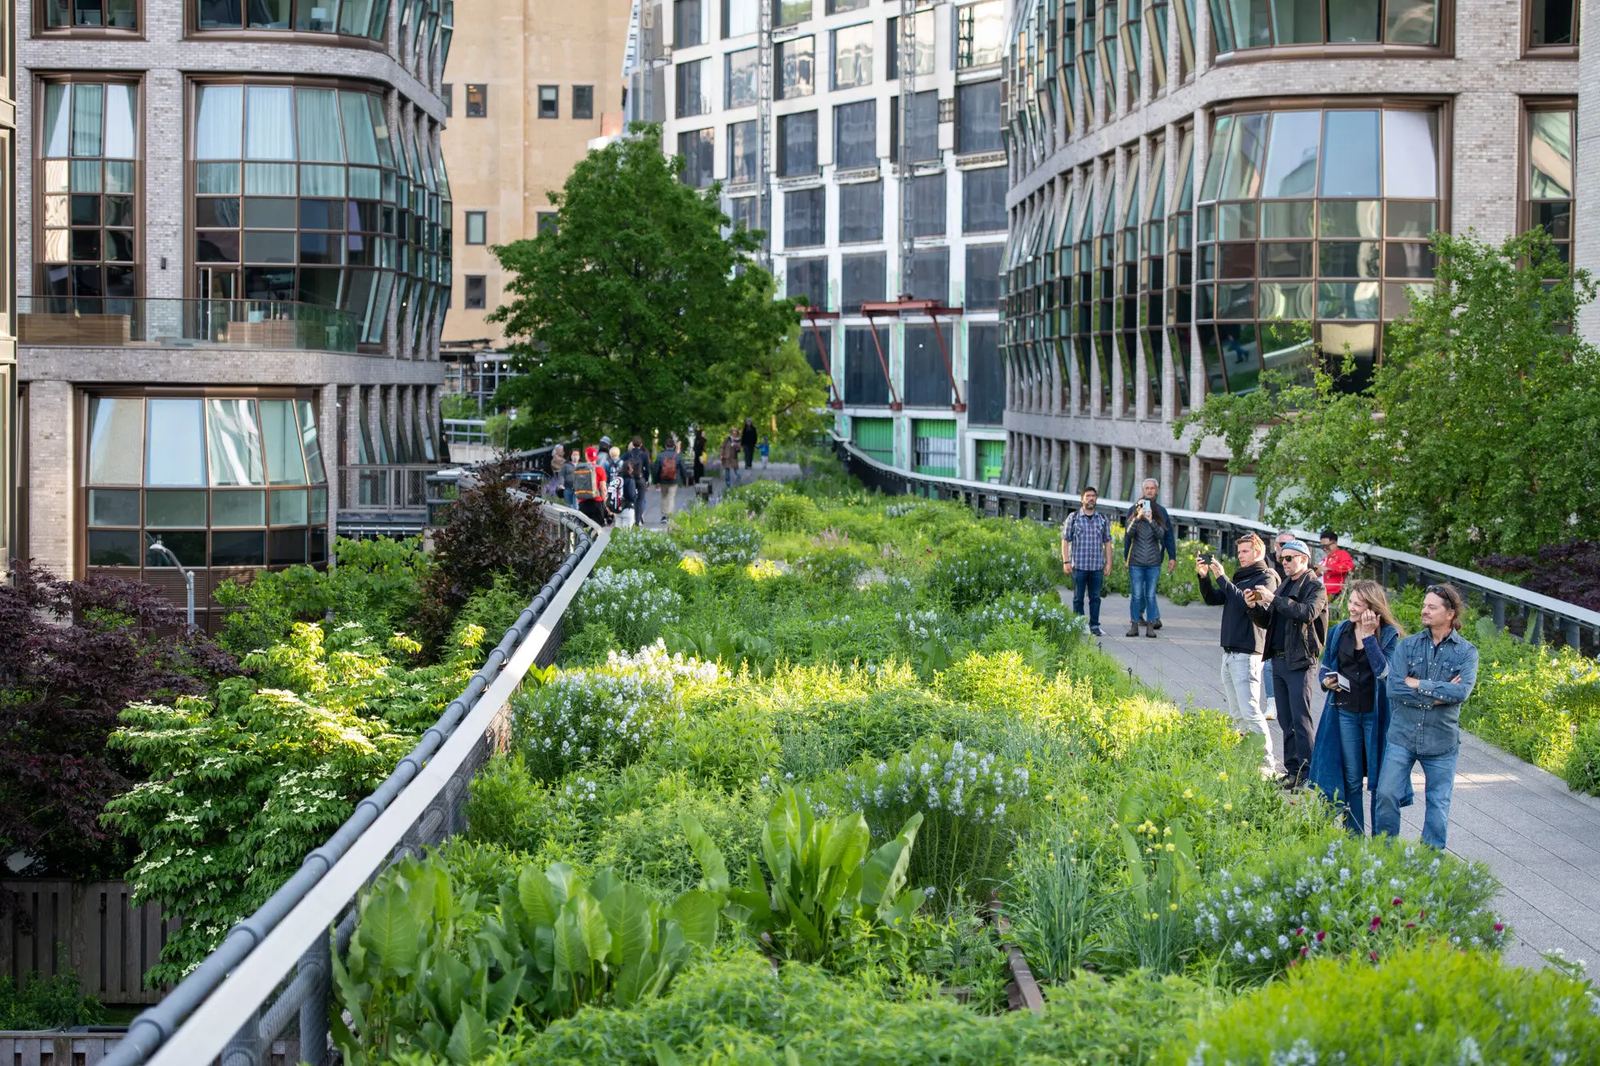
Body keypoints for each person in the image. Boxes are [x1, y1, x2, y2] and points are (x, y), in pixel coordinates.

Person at [1373, 584, 1479, 850]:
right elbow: (1394, 687)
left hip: (1441, 740)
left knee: (1438, 803)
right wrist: (1438, 696)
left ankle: (1429, 860)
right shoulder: (1407, 645)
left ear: (1450, 614)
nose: (1425, 611)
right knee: (1385, 794)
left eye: (1432, 607)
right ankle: (1385, 855)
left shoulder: (1466, 652)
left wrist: (1419, 684)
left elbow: (1462, 691)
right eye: (1424, 605)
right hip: (1402, 735)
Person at [1307, 580, 1413, 834]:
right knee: (1351, 779)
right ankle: (1354, 838)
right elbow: (1326, 666)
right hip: (1345, 712)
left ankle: (1381, 842)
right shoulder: (1339, 631)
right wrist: (1327, 680)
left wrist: (1368, 637)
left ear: (1372, 608)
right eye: (1351, 602)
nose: (1351, 608)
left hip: (1376, 717)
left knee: (1379, 782)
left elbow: (1384, 672)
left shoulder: (1389, 635)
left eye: (1357, 604)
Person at [1245, 538, 1327, 788]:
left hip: (1300, 660)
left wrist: (1273, 598)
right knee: (1285, 720)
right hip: (1279, 659)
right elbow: (1268, 620)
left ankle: (1308, 773)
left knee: (1300, 719)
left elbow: (1307, 613)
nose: (1284, 562)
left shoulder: (1315, 585)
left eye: (1289, 558)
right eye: (1282, 558)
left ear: (1304, 559)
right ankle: (1292, 771)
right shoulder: (1285, 585)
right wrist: (1254, 608)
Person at [1198, 532, 1281, 775]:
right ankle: (1247, 755)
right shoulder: (1240, 576)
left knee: (1250, 710)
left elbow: (1246, 603)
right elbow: (1214, 599)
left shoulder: (1266, 577)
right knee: (1237, 713)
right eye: (1239, 552)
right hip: (1230, 651)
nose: (1240, 556)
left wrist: (1222, 578)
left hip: (1248, 651)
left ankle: (1267, 760)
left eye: (1245, 551)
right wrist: (1204, 578)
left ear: (1258, 552)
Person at [1125, 479, 1179, 630]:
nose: (1149, 491)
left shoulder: (1161, 511)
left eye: (1152, 488)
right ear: (1143, 491)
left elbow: (1167, 536)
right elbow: (1128, 536)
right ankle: (1149, 617)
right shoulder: (1133, 509)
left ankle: (1147, 617)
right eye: (1147, 488)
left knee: (1148, 591)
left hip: (1155, 558)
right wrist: (1126, 558)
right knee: (1140, 591)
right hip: (1136, 559)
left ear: (1157, 491)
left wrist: (1172, 557)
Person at [1061, 486, 1114, 636]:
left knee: (1095, 597)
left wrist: (1109, 563)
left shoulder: (1102, 519)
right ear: (1082, 499)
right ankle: (1080, 624)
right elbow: (1065, 540)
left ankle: (1094, 625)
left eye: (1093, 496)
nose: (1091, 498)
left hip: (1097, 565)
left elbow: (1108, 542)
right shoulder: (1074, 517)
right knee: (1078, 597)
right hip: (1079, 565)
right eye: (1088, 496)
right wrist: (1066, 561)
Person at [1121, 498, 1166, 638]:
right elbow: (1129, 534)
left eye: (1145, 505)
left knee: (1151, 596)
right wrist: (1138, 518)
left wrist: (1151, 520)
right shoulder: (1133, 520)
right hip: (1136, 564)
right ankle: (1134, 625)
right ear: (1136, 507)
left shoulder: (1156, 521)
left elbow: (1160, 535)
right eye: (1140, 505)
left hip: (1153, 565)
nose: (1143, 507)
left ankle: (1150, 626)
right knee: (1136, 596)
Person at [654, 435, 687, 523]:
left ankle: (664, 516)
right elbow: (683, 468)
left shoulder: (660, 456)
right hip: (674, 480)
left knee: (663, 496)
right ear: (673, 446)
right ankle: (670, 516)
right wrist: (684, 479)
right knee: (671, 497)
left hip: (663, 480)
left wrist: (655, 481)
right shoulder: (678, 456)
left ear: (665, 446)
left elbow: (656, 469)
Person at [1317, 530, 1356, 601]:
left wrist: (1329, 568)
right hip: (1319, 591)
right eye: (1322, 546)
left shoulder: (1342, 554)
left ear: (1334, 544)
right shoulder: (1324, 560)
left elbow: (1349, 566)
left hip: (1332, 592)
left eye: (1326, 546)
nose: (1324, 549)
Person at [576, 445, 609, 526]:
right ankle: (594, 539)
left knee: (582, 527)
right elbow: (603, 489)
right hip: (597, 502)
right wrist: (606, 504)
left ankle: (585, 539)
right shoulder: (600, 469)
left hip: (583, 502)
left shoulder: (580, 469)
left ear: (586, 456)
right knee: (597, 527)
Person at [623, 437, 651, 526]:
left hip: (630, 478)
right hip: (640, 479)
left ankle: (630, 518)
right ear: (641, 445)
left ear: (632, 444)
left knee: (630, 498)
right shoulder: (643, 455)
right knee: (640, 499)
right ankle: (637, 520)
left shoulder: (627, 454)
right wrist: (646, 479)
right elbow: (648, 468)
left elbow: (621, 463)